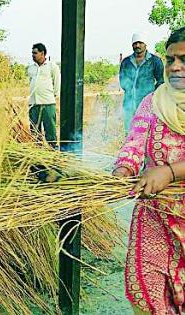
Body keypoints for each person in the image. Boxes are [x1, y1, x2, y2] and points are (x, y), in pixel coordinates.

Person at [113, 26, 185, 314]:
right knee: (146, 293)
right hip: (154, 216)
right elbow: (134, 142)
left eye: (184, 59)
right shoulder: (152, 103)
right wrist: (123, 169)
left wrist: (169, 172)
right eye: (170, 60)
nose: (176, 67)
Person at [119, 33, 165, 134]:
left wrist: (153, 97)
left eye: (140, 43)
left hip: (147, 104)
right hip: (129, 104)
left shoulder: (155, 61)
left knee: (145, 131)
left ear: (145, 44)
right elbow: (122, 80)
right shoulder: (126, 62)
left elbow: (160, 81)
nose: (137, 45)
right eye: (135, 43)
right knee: (129, 131)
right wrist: (130, 89)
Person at [27, 43, 60, 148]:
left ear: (43, 53)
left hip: (48, 103)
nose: (33, 55)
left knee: (50, 129)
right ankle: (38, 152)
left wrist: (53, 96)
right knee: (34, 130)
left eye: (35, 53)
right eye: (32, 53)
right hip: (33, 104)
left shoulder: (52, 66)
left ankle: (53, 150)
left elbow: (57, 83)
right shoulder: (30, 68)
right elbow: (31, 83)